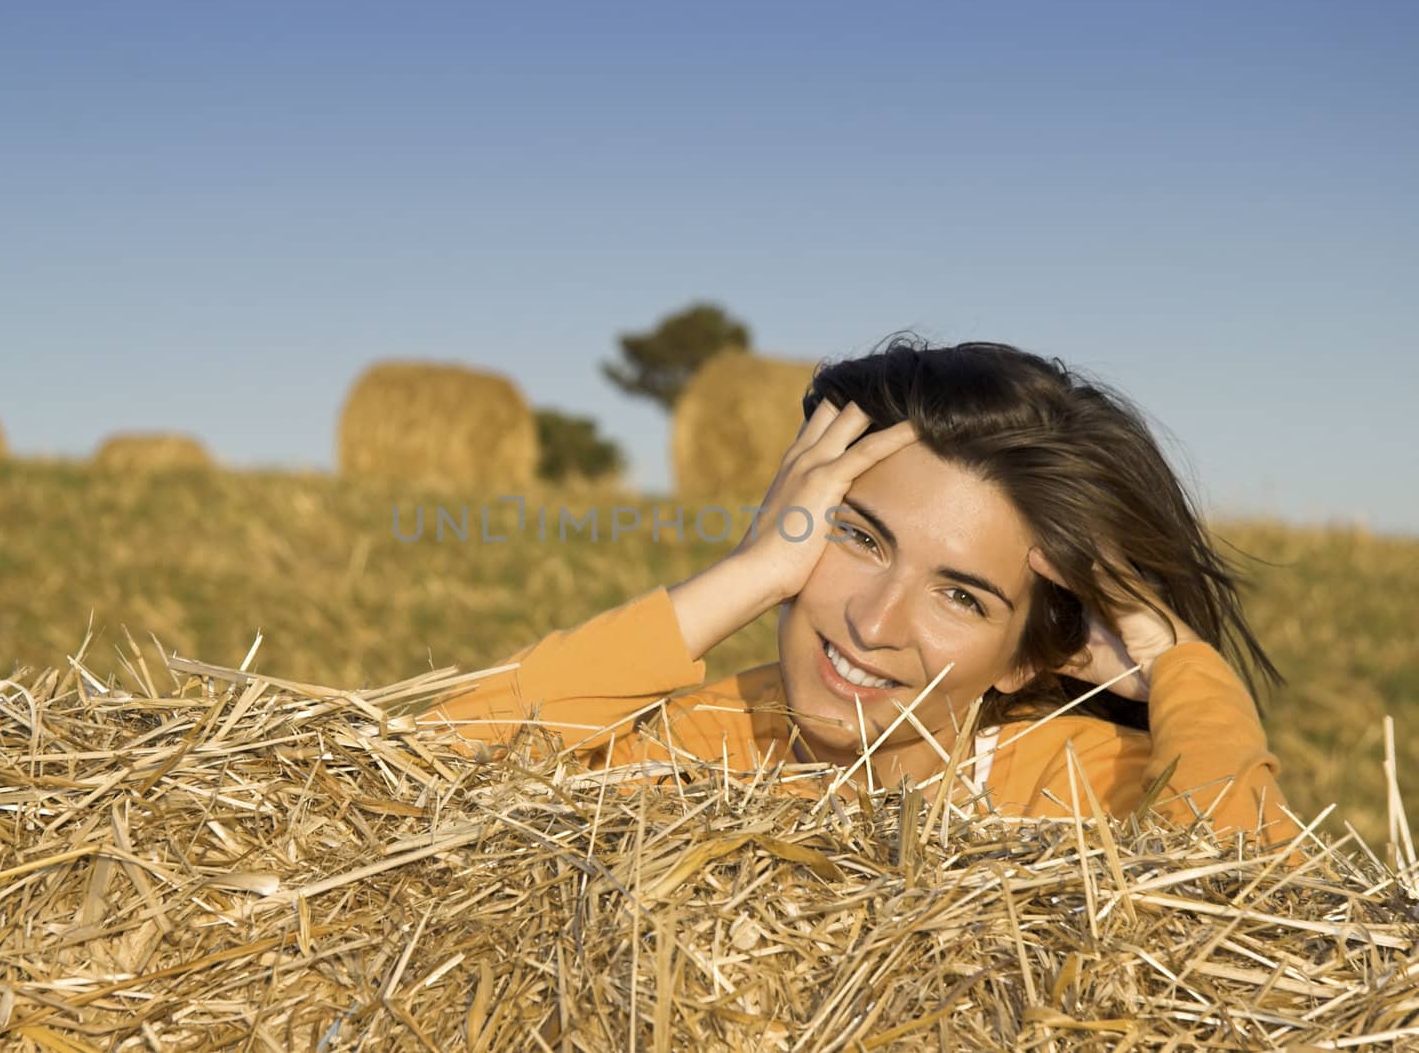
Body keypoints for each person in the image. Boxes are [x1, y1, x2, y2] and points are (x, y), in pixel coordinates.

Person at [423, 336, 1296, 849]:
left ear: (1028, 658)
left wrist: (1174, 662)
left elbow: (1232, 918)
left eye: (963, 597)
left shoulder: (1090, 794)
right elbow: (409, 778)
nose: (872, 624)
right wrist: (747, 574)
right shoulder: (697, 743)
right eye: (860, 537)